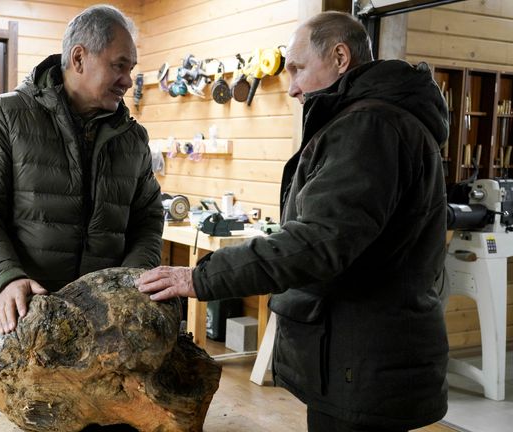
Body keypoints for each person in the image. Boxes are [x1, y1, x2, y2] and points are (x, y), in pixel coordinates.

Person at [137, 11, 449, 432]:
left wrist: (201, 278)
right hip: (359, 358)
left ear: (340, 57)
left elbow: (318, 242)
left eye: (299, 69)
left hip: (363, 361)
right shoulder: (374, 119)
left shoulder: (370, 125)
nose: (294, 87)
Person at [0, 4, 164, 400]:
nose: (128, 80)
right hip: (20, 316)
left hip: (103, 322)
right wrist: (4, 277)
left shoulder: (132, 138)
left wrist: (132, 280)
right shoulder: (6, 115)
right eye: (120, 66)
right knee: (1, 416)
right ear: (79, 57)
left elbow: (148, 216)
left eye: (131, 68)